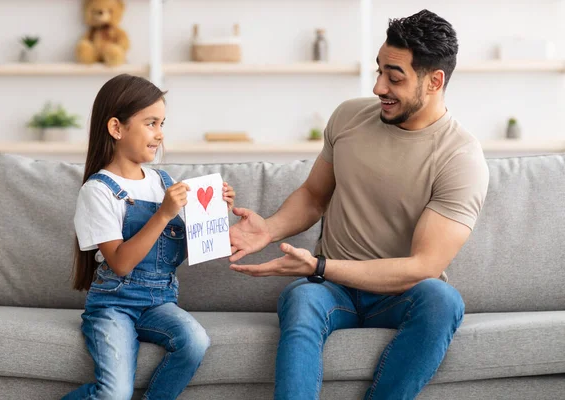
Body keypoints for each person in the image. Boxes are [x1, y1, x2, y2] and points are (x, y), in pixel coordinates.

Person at [228, 9, 489, 400]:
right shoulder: (349, 117)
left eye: (394, 76)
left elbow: (423, 267)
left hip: (401, 293)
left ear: (435, 81)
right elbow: (315, 196)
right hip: (332, 289)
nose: (378, 86)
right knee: (301, 299)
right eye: (379, 70)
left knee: (443, 300)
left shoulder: (460, 157)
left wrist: (318, 264)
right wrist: (269, 227)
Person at [64, 74, 235, 400]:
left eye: (162, 123)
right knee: (113, 395)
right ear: (117, 128)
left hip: (160, 302)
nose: (159, 134)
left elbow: (186, 250)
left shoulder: (162, 183)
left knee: (195, 341)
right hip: (114, 305)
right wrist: (163, 214)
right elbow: (121, 263)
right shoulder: (98, 191)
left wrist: (217, 212)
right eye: (151, 123)